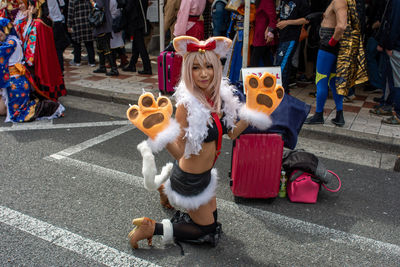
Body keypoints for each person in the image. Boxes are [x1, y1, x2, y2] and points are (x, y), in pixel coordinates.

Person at [126, 36, 281, 249]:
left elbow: (233, 133)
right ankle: (153, 228)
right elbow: (180, 152)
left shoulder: (219, 99)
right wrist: (159, 133)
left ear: (217, 68)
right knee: (207, 232)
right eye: (196, 68)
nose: (204, 73)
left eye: (209, 66)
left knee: (214, 220)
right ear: (188, 72)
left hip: (206, 177)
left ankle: (165, 190)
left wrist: (254, 112)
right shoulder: (186, 106)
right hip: (189, 180)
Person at [304, 0, 368, 126]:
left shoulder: (339, 1)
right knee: (334, 82)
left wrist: (331, 42)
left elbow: (341, 25)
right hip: (335, 46)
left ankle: (318, 115)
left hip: (329, 46)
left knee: (321, 79)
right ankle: (339, 115)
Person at [0, 17, 65, 122]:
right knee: (3, 110)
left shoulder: (11, 42)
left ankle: (51, 108)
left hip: (16, 83)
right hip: (11, 81)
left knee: (18, 114)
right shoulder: (8, 40)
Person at [16, 0, 67, 101]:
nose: (29, 8)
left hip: (38, 58)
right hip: (45, 57)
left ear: (37, 7)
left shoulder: (37, 24)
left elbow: (28, 39)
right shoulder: (44, 21)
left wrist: (30, 18)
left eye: (31, 6)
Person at [274, 0, 310, 94]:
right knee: (280, 64)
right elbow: (281, 15)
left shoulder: (302, 2)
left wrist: (287, 22)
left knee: (283, 66)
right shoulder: (284, 1)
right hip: (282, 36)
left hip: (291, 36)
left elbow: (306, 19)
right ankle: (284, 92)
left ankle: (283, 93)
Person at [377, 0, 400, 125]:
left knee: (396, 82)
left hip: (396, 47)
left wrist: (388, 45)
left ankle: (398, 114)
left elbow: (394, 23)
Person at [122, 0, 152, 75]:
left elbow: (129, 8)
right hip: (140, 23)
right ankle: (132, 64)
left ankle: (147, 68)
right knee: (136, 45)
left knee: (141, 47)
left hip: (136, 24)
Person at [92, 0, 119, 76]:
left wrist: (92, 3)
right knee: (100, 46)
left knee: (106, 47)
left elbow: (99, 5)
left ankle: (113, 68)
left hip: (103, 23)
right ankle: (102, 66)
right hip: (102, 22)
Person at [67, 0, 96, 67]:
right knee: (89, 44)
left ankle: (77, 61)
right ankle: (92, 61)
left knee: (76, 44)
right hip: (88, 23)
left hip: (77, 24)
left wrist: (69, 25)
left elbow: (70, 13)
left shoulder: (72, 1)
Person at [250, 0, 277, 67]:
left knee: (254, 60)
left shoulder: (267, 1)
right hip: (260, 34)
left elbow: (273, 18)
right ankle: (270, 76)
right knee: (266, 59)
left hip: (263, 35)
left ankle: (253, 77)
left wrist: (270, 32)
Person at [47, 0, 70, 73]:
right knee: (58, 48)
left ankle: (58, 69)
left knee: (56, 48)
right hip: (58, 21)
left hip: (51, 23)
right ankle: (60, 69)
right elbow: (62, 4)